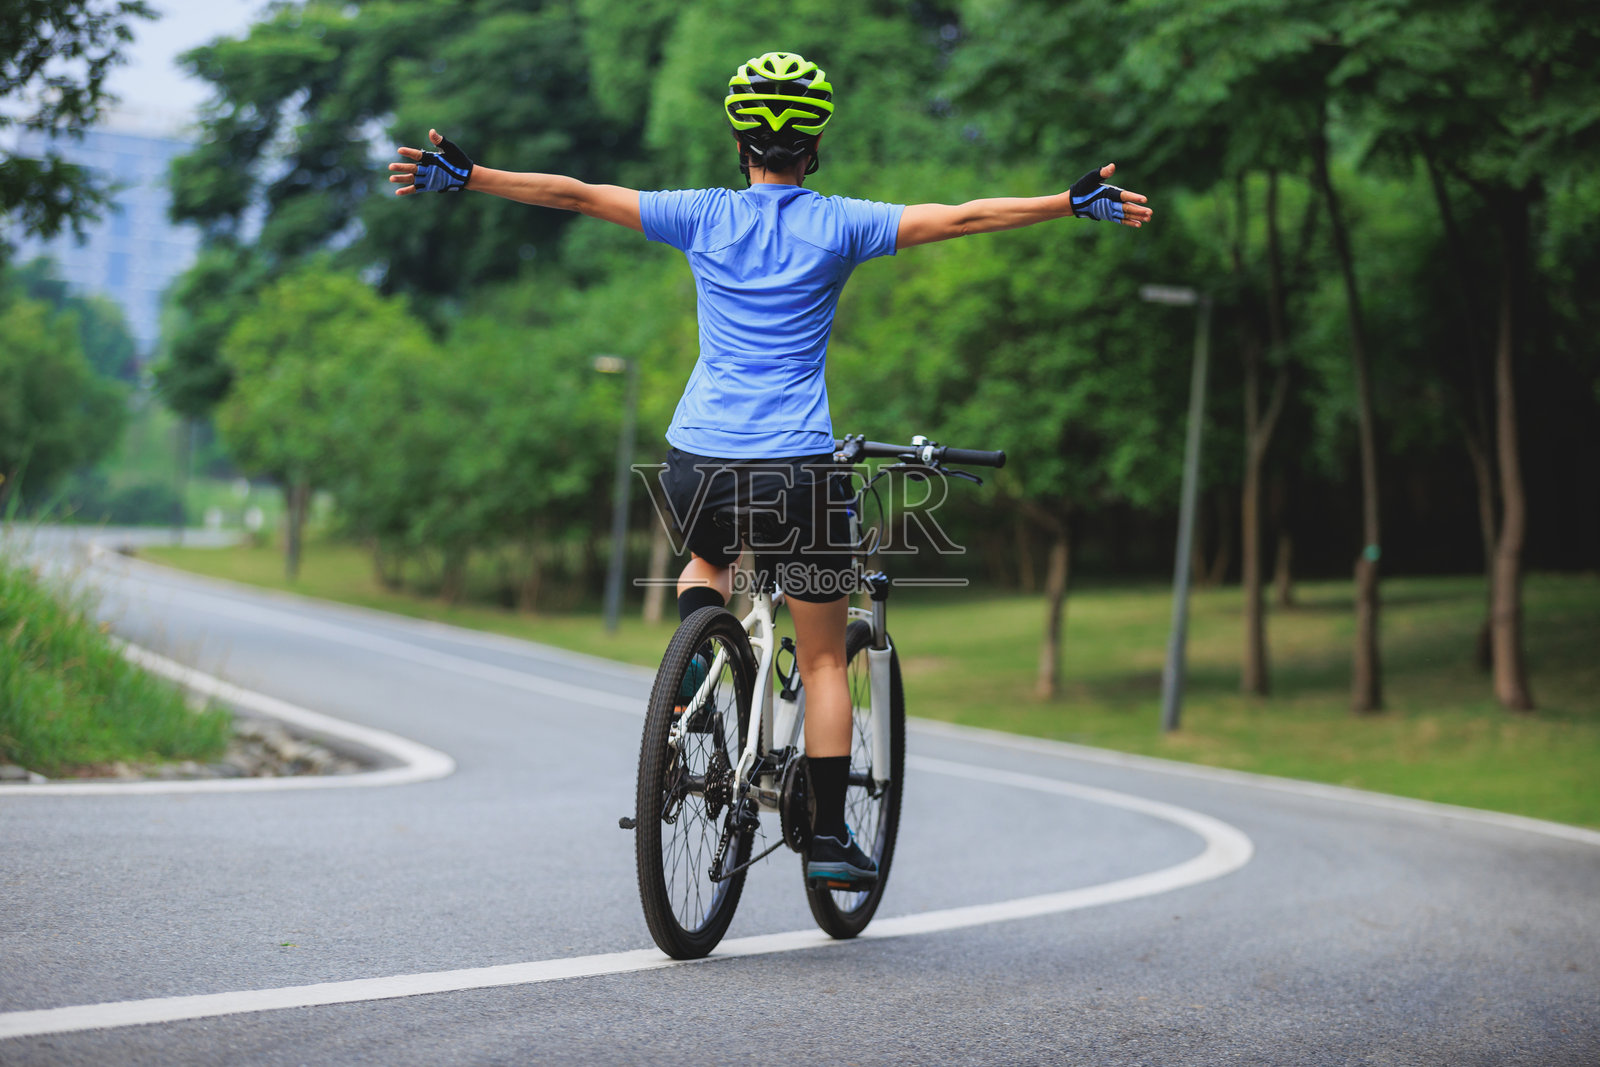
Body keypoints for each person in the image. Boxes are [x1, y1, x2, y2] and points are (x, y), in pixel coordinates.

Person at [389, 51, 1152, 886]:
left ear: (738, 144)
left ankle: (695, 670)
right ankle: (825, 841)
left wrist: (470, 176)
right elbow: (963, 218)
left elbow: (576, 194)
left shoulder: (700, 214)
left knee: (706, 562)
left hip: (697, 461)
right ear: (814, 146)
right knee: (822, 659)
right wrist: (1066, 202)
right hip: (796, 467)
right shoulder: (844, 224)